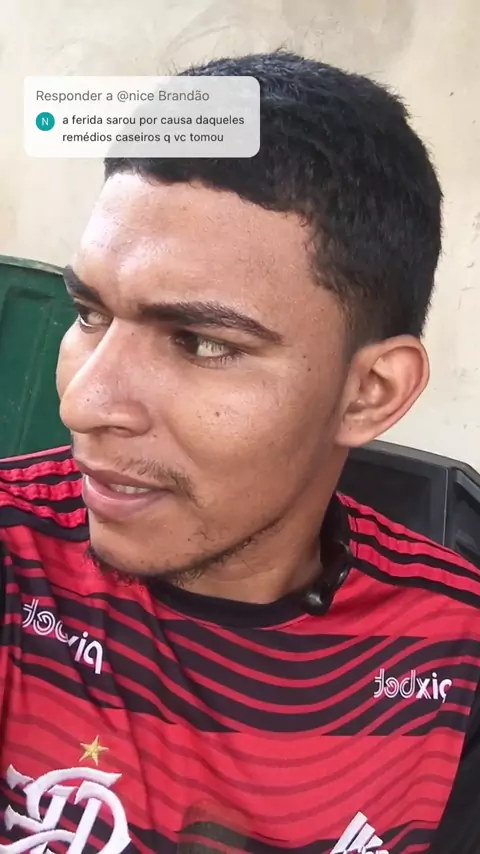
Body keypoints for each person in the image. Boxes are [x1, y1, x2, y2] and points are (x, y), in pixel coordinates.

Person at [0, 50, 478, 854]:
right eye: (89, 313)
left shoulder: (454, 656)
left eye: (200, 341)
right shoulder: (17, 558)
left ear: (369, 392)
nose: (83, 403)